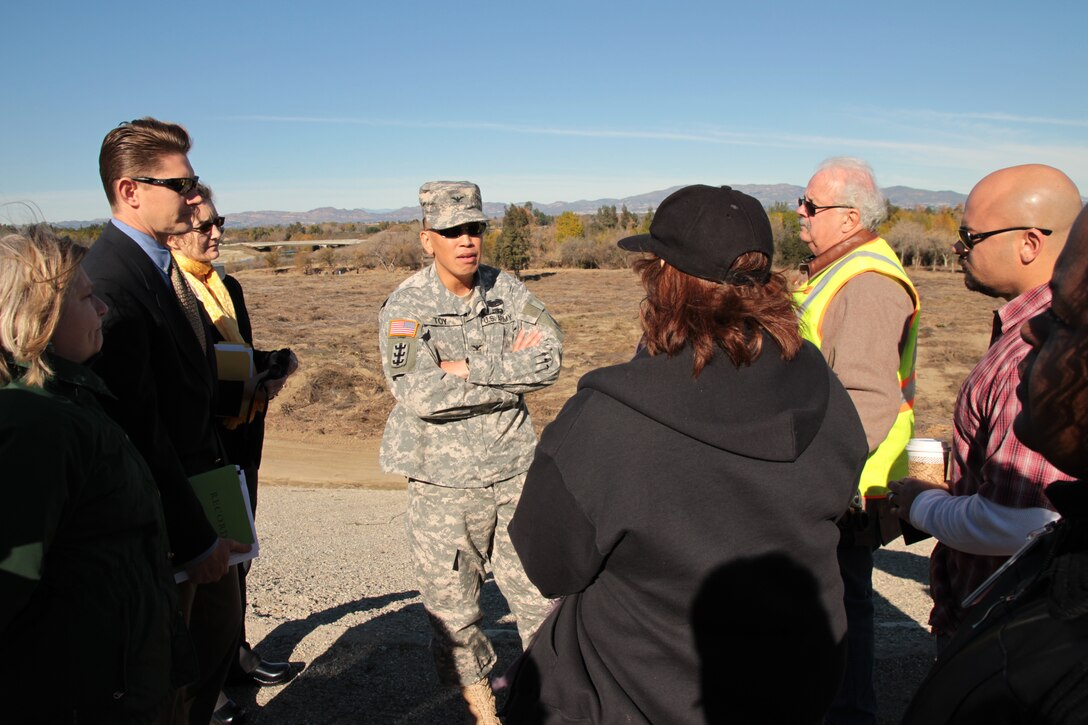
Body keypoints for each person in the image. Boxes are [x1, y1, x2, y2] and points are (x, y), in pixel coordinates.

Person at [504, 185, 869, 724]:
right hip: (795, 687)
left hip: (644, 696)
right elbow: (839, 487)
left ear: (664, 280)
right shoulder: (821, 384)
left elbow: (548, 561)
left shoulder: (608, 416)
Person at [83, 118, 250, 725]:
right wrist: (193, 537)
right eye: (181, 183)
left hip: (196, 500)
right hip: (166, 525)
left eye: (194, 180)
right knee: (169, 678)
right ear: (130, 190)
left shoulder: (160, 268)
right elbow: (137, 430)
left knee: (211, 647)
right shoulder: (111, 281)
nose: (195, 196)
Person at [378, 181, 562, 724]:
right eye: (452, 231)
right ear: (427, 238)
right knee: (453, 611)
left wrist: (468, 367)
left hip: (515, 474)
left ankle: (545, 703)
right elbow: (420, 394)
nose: (467, 240)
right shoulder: (406, 308)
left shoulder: (507, 289)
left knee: (541, 599)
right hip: (443, 488)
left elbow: (550, 360)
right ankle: (484, 715)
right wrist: (509, 367)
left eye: (475, 229)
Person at [901, 200, 1088, 725]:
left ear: (1030, 242)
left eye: (1066, 319)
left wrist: (923, 504)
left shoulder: (1059, 663)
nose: (1036, 333)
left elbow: (1023, 520)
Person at [0, 230, 185, 723]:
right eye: (86, 297)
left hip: (119, 682)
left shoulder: (69, 402)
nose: (103, 308)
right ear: (37, 317)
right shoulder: (35, 426)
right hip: (92, 696)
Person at [163, 184, 301, 721]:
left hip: (242, 439)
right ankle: (206, 683)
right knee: (205, 564)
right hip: (203, 446)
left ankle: (236, 654)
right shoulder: (171, 289)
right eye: (205, 226)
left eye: (220, 221)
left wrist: (269, 366)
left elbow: (232, 353)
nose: (217, 232)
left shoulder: (228, 285)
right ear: (175, 233)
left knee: (238, 559)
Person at [792, 157, 920, 724]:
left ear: (847, 218)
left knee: (841, 612)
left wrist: (819, 475)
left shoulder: (866, 283)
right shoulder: (834, 269)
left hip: (845, 482)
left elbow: (868, 399)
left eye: (810, 206)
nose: (800, 211)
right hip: (833, 473)